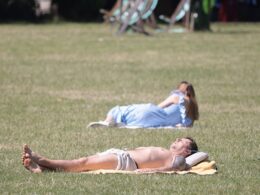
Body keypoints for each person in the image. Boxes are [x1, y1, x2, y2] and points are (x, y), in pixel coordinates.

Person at [22, 137, 198, 173]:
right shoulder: (165, 150)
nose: (177, 139)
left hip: (126, 161)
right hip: (120, 154)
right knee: (84, 164)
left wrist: (149, 172)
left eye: (182, 140)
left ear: (187, 150)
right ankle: (42, 170)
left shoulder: (179, 159)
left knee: (82, 162)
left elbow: (172, 168)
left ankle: (42, 160)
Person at [88, 81, 199, 128]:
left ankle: (108, 121)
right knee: (130, 117)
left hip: (153, 113)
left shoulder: (177, 98)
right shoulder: (191, 112)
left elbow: (159, 107)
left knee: (119, 109)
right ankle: (115, 122)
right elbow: (188, 125)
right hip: (155, 122)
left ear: (183, 90)